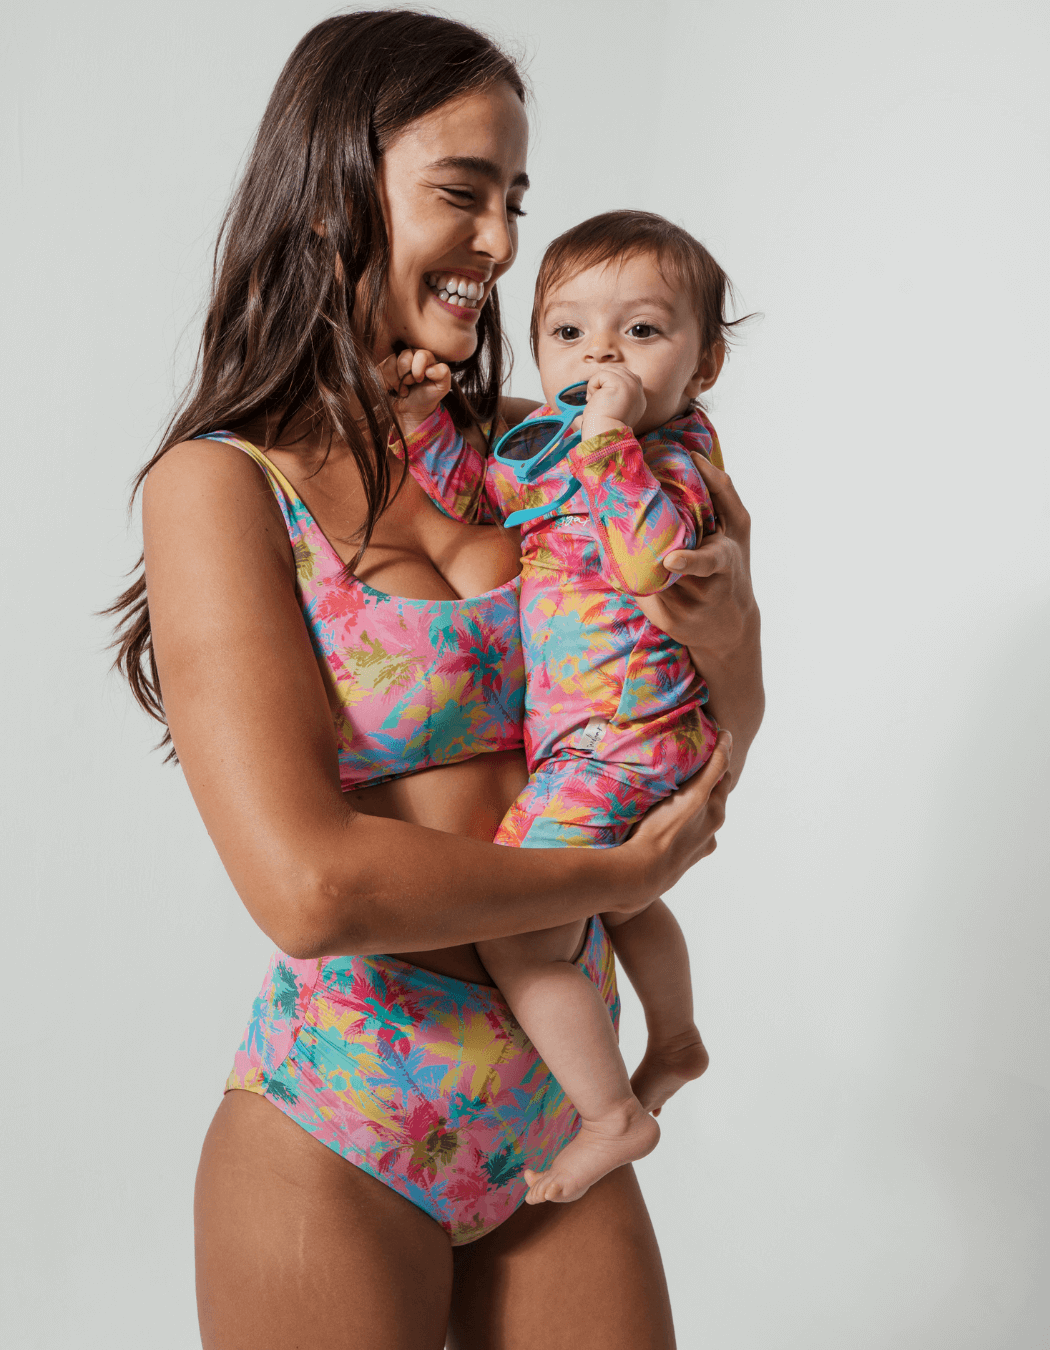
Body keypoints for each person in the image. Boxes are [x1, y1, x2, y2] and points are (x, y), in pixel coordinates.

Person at [109, 12, 763, 1346]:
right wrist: (620, 874)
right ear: (329, 198)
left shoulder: (543, 452)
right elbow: (310, 888)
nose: (504, 243)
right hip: (347, 1118)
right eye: (464, 193)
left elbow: (720, 714)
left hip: (557, 1102)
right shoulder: (222, 487)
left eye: (514, 198)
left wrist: (730, 639)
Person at [383, 210, 742, 1207]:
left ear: (704, 364)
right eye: (569, 332)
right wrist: (420, 427)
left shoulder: (674, 464)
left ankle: (611, 1116)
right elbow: (488, 494)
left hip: (625, 737)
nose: (601, 356)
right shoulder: (551, 448)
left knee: (517, 923)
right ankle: (677, 1040)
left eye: (642, 331)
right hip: (600, 739)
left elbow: (649, 564)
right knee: (622, 896)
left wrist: (612, 441)